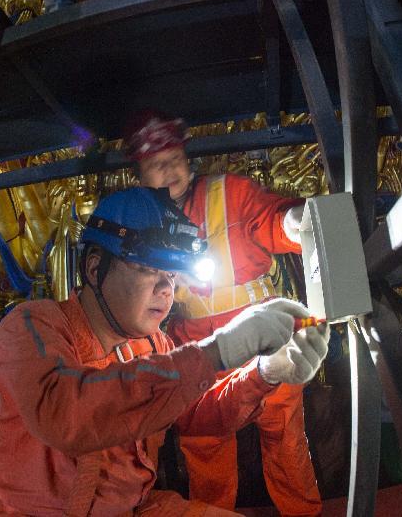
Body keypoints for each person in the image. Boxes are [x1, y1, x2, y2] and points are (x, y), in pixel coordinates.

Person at [0, 187, 328, 516]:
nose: (166, 289)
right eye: (150, 270)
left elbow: (196, 415)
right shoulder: (33, 325)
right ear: (96, 268)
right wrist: (217, 351)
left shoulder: (153, 345)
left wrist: (264, 372)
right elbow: (64, 412)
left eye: (174, 277)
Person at [123, 110, 321, 515]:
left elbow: (268, 218)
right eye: (157, 164)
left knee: (284, 435)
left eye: (175, 158)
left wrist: (293, 222)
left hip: (261, 326)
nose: (170, 169)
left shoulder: (226, 193)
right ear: (140, 174)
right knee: (205, 442)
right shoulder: (139, 224)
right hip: (196, 341)